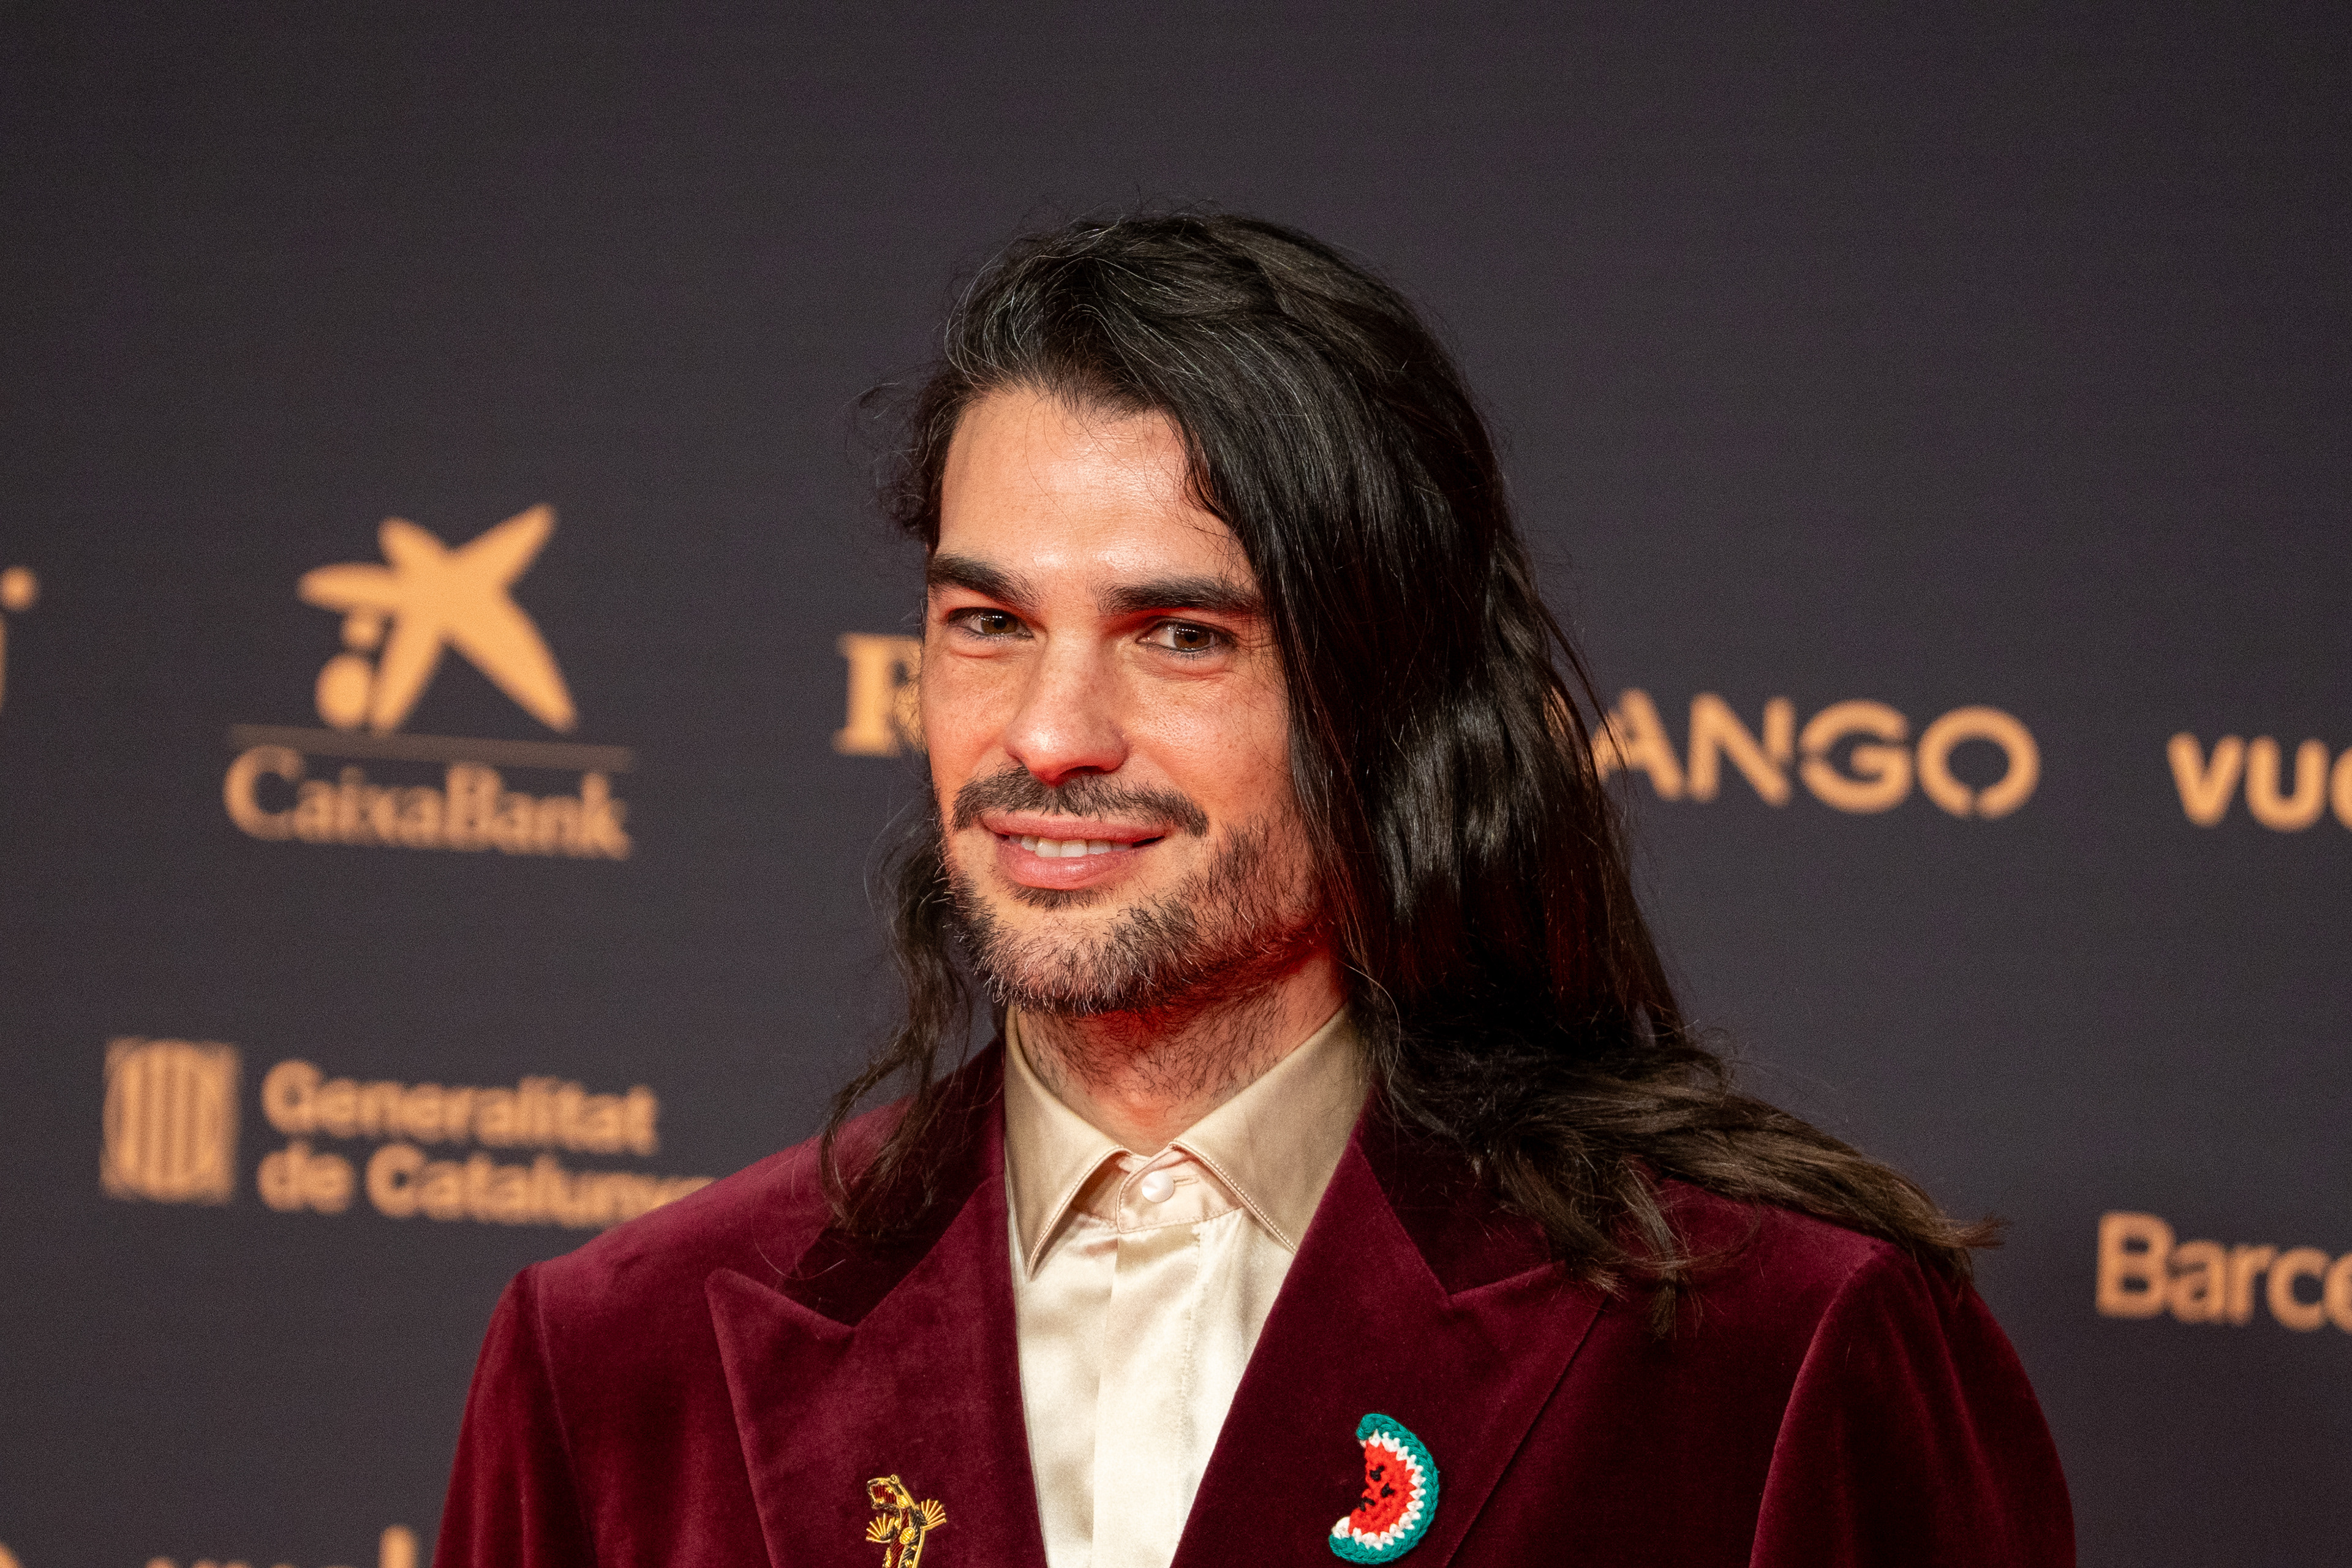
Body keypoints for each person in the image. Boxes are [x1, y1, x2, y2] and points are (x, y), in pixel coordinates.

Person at [434, 213, 2073, 1568]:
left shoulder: (1769, 1348)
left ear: (1388, 698)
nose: (1050, 737)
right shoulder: (617, 1367)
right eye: (988, 624)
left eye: (1181, 637)